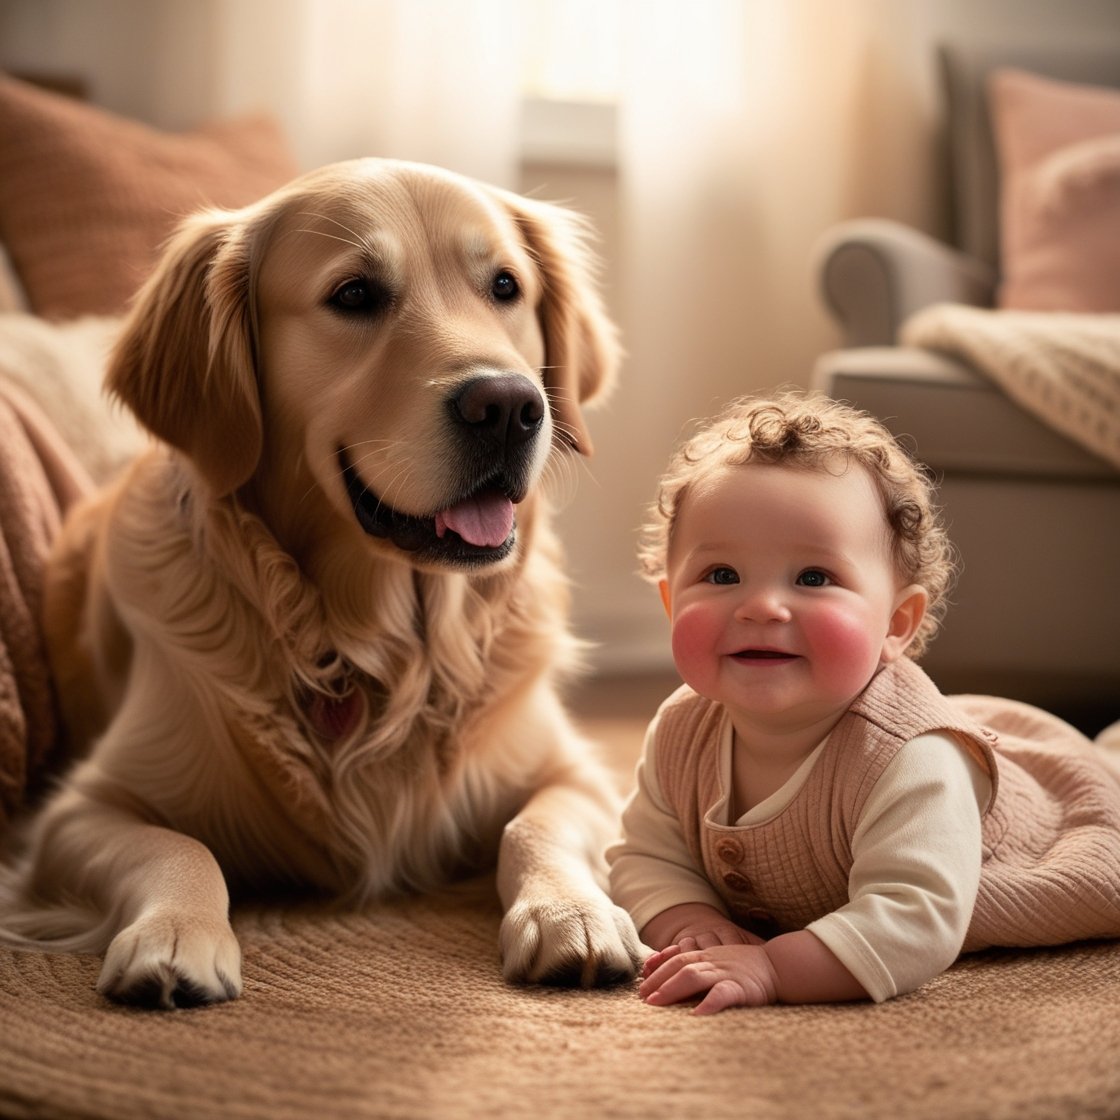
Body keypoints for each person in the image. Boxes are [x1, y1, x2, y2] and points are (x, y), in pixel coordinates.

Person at [608, 391, 1120, 1014]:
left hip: (1048, 835)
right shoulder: (681, 729)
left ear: (896, 624)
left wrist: (771, 966)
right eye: (720, 576)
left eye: (813, 578)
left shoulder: (911, 760)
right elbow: (643, 852)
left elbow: (915, 917)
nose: (761, 606)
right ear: (669, 604)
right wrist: (685, 915)